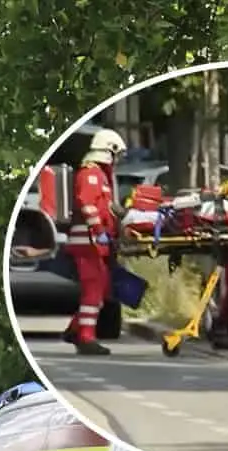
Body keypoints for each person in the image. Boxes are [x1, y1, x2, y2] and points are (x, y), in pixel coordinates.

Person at [68, 127, 126, 356]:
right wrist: (100, 229)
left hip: (96, 242)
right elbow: (87, 203)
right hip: (87, 241)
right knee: (93, 290)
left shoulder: (101, 176)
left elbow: (105, 208)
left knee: (100, 289)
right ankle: (85, 338)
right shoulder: (90, 173)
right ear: (108, 150)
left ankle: (76, 329)